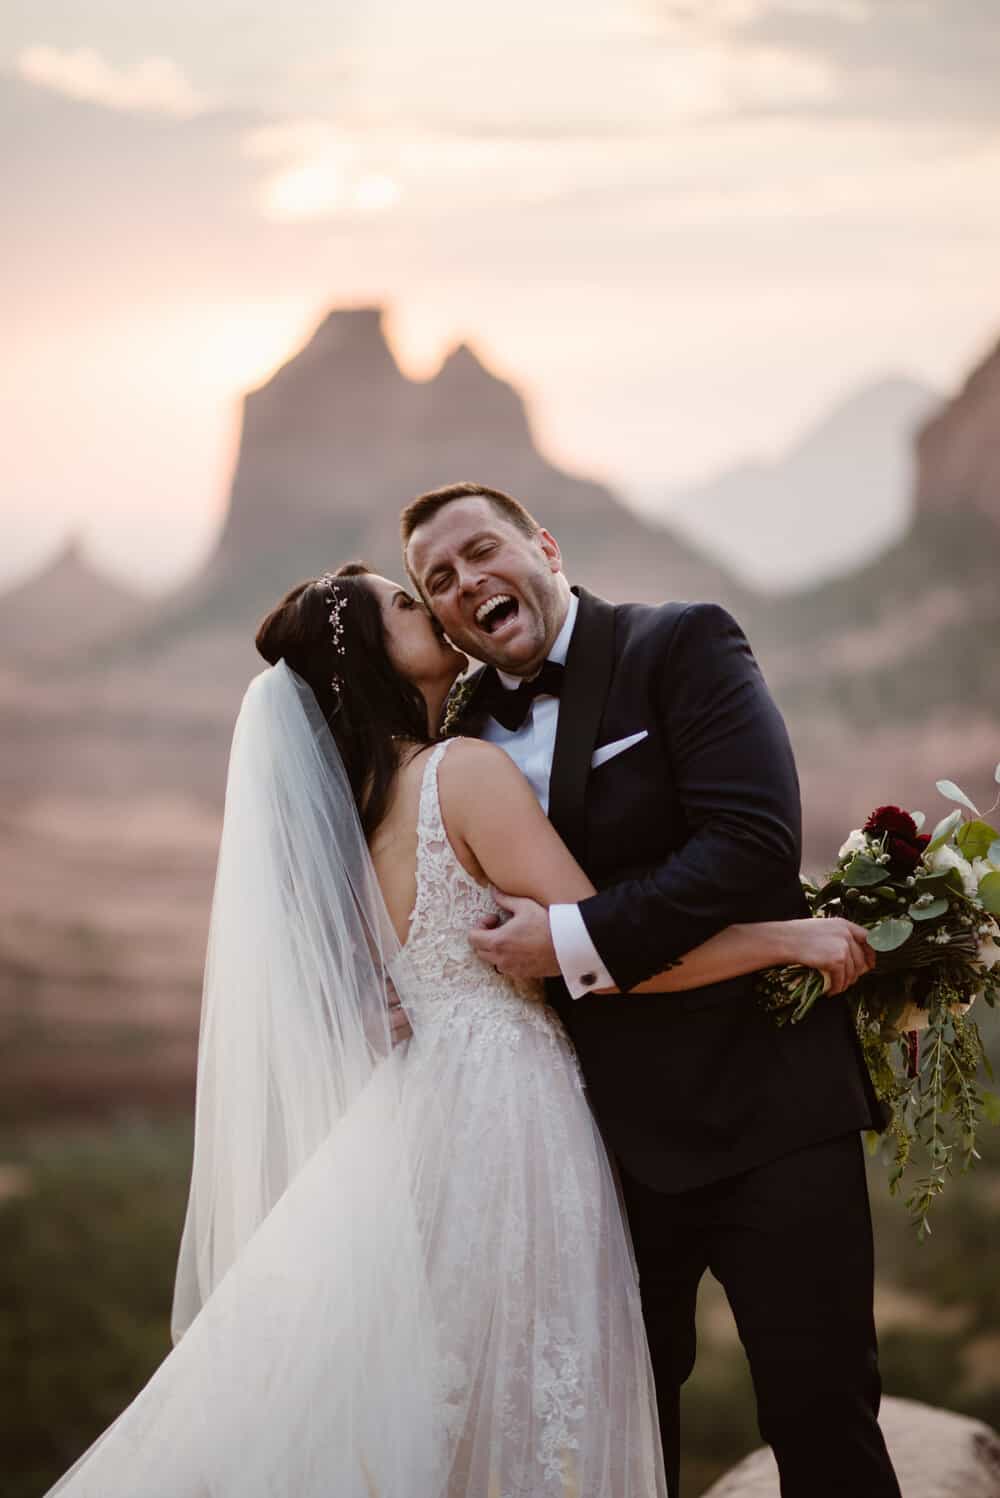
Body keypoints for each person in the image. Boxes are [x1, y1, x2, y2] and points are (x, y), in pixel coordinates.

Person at [44, 562, 876, 1498]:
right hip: (514, 1119)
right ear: (371, 662)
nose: (431, 606)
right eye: (407, 600)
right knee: (529, 1403)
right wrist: (783, 938)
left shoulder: (348, 823)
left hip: (420, 1121)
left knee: (448, 1404)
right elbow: (609, 954)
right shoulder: (464, 774)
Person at [402, 482, 902, 1498]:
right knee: (619, 1434)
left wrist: (571, 939)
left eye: (482, 551)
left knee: (820, 1413)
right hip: (597, 1147)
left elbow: (749, 845)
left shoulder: (680, 644)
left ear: (543, 545)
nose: (466, 584)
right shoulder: (458, 734)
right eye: (437, 581)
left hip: (770, 1107)